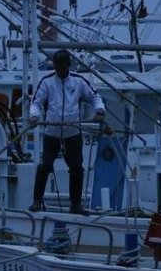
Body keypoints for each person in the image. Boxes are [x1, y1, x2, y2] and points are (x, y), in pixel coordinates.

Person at [27, 49, 105, 214]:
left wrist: (99, 111)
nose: (60, 71)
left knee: (76, 167)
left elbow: (95, 97)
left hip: (72, 132)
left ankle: (75, 205)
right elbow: (36, 102)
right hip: (52, 132)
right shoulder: (47, 82)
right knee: (45, 166)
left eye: (62, 67)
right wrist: (34, 116)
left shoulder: (78, 81)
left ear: (68, 66)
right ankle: (37, 201)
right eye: (57, 67)